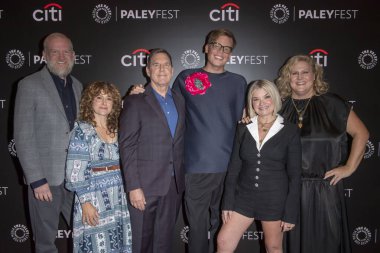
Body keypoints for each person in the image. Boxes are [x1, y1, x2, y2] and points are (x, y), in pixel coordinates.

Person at [276, 55, 369, 253]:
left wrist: (349, 167)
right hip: (288, 192)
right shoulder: (278, 108)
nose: (300, 77)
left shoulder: (333, 104)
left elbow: (361, 133)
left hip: (325, 191)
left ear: (315, 75)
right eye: (294, 73)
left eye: (305, 72)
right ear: (287, 77)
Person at [173, 28, 247, 253]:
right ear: (206, 47)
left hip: (228, 168)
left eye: (227, 48)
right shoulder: (187, 77)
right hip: (196, 168)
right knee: (196, 228)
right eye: (216, 45)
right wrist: (141, 94)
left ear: (230, 54)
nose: (220, 51)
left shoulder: (238, 82)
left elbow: (245, 121)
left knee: (224, 228)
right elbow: (166, 107)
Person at [14, 32, 82, 253]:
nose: (61, 56)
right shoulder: (29, 85)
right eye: (55, 51)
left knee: (85, 234)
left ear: (73, 55)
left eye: (66, 51)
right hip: (46, 181)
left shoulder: (78, 86)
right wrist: (36, 179)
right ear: (44, 55)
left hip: (76, 178)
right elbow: (23, 136)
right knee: (45, 244)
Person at [217, 80, 302, 253]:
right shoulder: (243, 128)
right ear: (251, 103)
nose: (262, 103)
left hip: (274, 200)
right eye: (256, 99)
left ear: (275, 99)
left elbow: (295, 175)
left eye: (267, 97)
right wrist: (227, 202)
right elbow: (233, 169)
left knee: (274, 247)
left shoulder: (290, 130)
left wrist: (290, 211)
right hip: (244, 197)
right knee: (223, 241)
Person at [119, 48, 186, 253]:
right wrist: (133, 186)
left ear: (172, 69)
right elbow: (127, 146)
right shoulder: (134, 101)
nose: (161, 69)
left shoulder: (180, 100)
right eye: (156, 65)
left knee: (163, 244)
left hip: (173, 186)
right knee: (142, 244)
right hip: (144, 188)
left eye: (166, 64)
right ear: (147, 70)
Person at [65, 81, 132, 253]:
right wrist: (85, 202)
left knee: (118, 241)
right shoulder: (82, 130)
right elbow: (75, 171)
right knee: (95, 244)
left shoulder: (119, 128)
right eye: (99, 97)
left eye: (109, 99)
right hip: (93, 195)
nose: (104, 102)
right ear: (90, 101)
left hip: (118, 194)